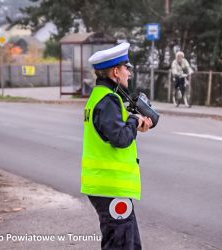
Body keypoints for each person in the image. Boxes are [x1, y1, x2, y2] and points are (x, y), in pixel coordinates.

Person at [80, 42, 153, 250]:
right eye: (126, 68)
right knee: (121, 245)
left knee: (128, 243)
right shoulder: (109, 100)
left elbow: (110, 132)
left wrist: (133, 123)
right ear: (115, 71)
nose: (128, 73)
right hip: (110, 188)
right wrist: (133, 121)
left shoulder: (100, 97)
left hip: (105, 186)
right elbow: (119, 138)